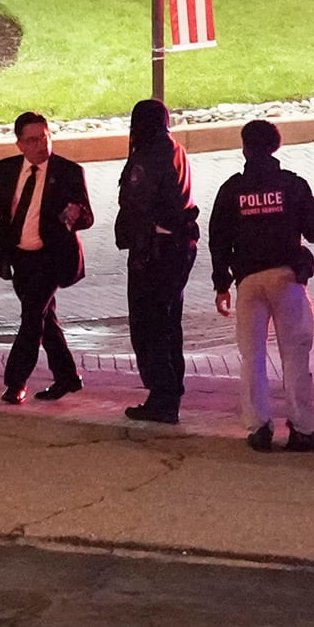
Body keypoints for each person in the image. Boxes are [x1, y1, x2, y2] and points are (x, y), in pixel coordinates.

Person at [208, 119, 314, 453]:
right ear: (276, 146)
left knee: (252, 358)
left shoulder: (232, 189)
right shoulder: (292, 185)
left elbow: (218, 240)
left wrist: (222, 284)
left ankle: (259, 428)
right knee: (294, 357)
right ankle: (303, 429)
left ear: (244, 148)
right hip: (286, 279)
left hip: (248, 282)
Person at [0, 112, 92, 405]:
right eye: (33, 140)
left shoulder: (68, 171)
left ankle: (16, 382)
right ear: (20, 145)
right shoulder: (8, 169)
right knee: (44, 318)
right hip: (19, 259)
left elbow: (87, 216)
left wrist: (74, 215)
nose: (41, 144)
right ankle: (67, 377)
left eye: (45, 136)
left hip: (51, 258)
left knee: (31, 319)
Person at [113, 99, 198, 424]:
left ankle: (163, 395)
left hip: (157, 249)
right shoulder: (171, 148)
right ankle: (168, 390)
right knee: (166, 322)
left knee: (150, 324)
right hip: (172, 247)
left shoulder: (152, 153)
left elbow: (139, 199)